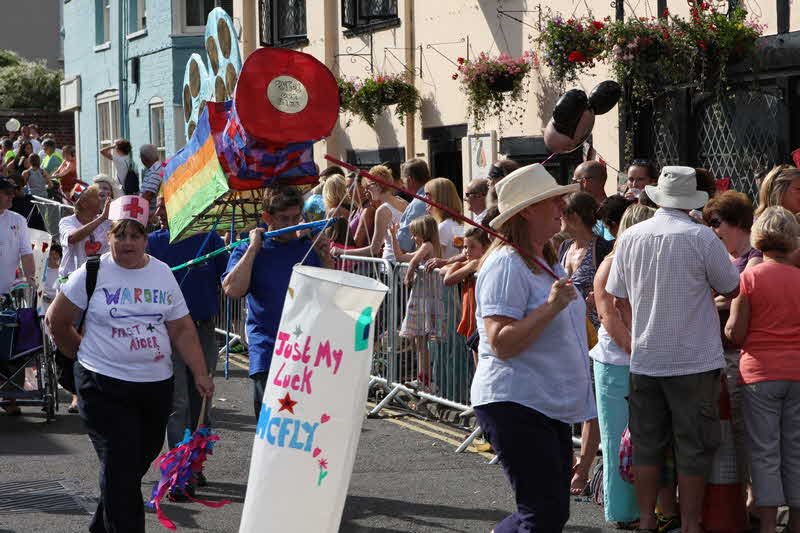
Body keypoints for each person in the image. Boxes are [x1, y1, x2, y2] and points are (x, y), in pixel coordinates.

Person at [46, 196, 214, 533]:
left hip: (154, 387)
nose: (127, 242)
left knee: (133, 462)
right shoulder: (91, 272)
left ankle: (101, 527)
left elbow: (181, 327)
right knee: (121, 463)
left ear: (146, 239)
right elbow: (57, 321)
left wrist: (199, 372)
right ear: (108, 237)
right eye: (120, 235)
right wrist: (83, 355)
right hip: (103, 386)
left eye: (135, 235)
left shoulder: (162, 273)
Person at [606, 166, 740, 533]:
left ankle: (649, 520)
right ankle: (692, 523)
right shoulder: (702, 238)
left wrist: (637, 330)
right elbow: (732, 287)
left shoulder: (631, 237)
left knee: (648, 446)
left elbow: (618, 297)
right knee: (692, 447)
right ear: (691, 201)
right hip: (694, 360)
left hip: (647, 357)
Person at [473, 163, 595, 531]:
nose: (562, 207)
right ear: (527, 210)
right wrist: (552, 306)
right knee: (543, 513)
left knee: (549, 512)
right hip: (516, 401)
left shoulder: (545, 260)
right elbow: (500, 342)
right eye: (552, 201)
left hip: (543, 403)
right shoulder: (506, 264)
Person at [725, 206, 800, 533]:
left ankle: (767, 525)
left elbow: (736, 332)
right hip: (797, 371)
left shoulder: (750, 278)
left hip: (758, 374)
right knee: (795, 451)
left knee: (764, 452)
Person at [147, 196, 228, 495]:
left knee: (200, 402)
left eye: (164, 206)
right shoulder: (153, 243)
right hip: (166, 333)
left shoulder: (209, 238)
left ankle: (194, 464)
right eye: (157, 206)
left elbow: (228, 278)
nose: (158, 212)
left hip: (203, 331)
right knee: (177, 404)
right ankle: (178, 472)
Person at [222, 187, 322, 419]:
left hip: (303, 351)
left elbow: (329, 294)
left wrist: (324, 253)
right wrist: (254, 248)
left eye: (295, 218)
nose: (290, 224)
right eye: (283, 218)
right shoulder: (248, 249)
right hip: (266, 350)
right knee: (270, 427)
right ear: (267, 217)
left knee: (302, 425)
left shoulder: (307, 248)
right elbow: (232, 289)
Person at [591, 202, 653, 528]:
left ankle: (646, 509)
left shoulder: (646, 263)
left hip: (642, 362)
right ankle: (622, 512)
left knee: (644, 441)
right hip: (616, 364)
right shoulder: (610, 264)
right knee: (617, 439)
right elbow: (608, 317)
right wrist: (636, 353)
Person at [556, 191, 613, 496]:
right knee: (565, 401)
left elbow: (614, 287)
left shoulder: (601, 248)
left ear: (575, 217)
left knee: (591, 404)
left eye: (561, 214)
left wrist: (598, 298)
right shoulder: (564, 246)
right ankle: (568, 462)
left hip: (593, 335)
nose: (558, 219)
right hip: (565, 336)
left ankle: (584, 469)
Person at [389, 215, 442, 392]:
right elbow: (400, 257)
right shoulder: (423, 247)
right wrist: (393, 236)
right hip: (420, 298)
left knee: (424, 343)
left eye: (414, 234)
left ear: (424, 233)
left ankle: (426, 380)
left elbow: (412, 262)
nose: (412, 238)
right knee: (420, 343)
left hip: (426, 299)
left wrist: (409, 273)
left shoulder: (428, 246)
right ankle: (423, 378)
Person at [0, 178, 37, 416]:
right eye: (7, 194)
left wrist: (31, 280)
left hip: (9, 293)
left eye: (13, 194)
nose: (12, 198)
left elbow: (26, 253)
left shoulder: (18, 220)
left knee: (13, 339)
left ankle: (12, 394)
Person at [330, 165, 408, 262]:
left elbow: (373, 249)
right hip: (400, 263)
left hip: (390, 265)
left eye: (368, 186)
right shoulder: (403, 202)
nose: (366, 191)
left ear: (379, 185)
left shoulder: (382, 210)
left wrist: (342, 251)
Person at [441, 226, 490, 368]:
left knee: (481, 364)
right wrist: (459, 265)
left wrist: (468, 267)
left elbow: (447, 279)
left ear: (485, 248)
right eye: (465, 247)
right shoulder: (470, 263)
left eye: (472, 247)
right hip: (471, 320)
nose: (467, 251)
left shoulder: (481, 264)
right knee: (476, 364)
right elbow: (444, 272)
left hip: (481, 321)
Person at [59, 185, 112, 282]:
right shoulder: (66, 221)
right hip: (68, 280)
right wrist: (102, 218)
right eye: (96, 197)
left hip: (98, 280)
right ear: (84, 203)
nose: (100, 200)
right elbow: (72, 238)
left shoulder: (105, 221)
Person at [396, 158, 432, 252]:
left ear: (410, 180)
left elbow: (404, 244)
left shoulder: (417, 204)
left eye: (403, 181)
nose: (403, 186)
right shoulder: (436, 195)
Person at [424, 178, 465, 259]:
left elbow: (437, 257)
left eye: (428, 195)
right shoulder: (456, 223)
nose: (425, 199)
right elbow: (459, 251)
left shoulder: (442, 227)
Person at [573, 160, 615, 240]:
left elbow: (610, 246)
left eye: (575, 181)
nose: (573, 185)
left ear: (584, 182)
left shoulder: (608, 213)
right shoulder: (585, 211)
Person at [139, 144, 162, 216]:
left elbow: (148, 195)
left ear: (144, 158)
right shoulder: (153, 169)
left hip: (152, 214)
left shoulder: (156, 170)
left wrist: (136, 207)